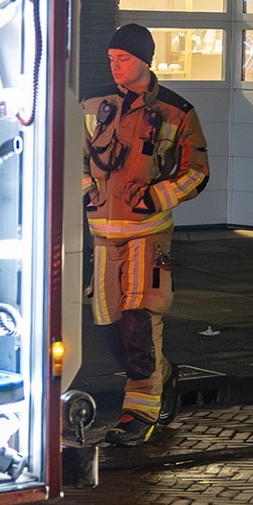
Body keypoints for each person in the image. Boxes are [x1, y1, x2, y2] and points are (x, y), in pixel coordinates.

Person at [83, 23, 209, 445]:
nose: (116, 67)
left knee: (138, 321)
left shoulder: (177, 112)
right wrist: (88, 194)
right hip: (102, 233)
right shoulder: (93, 105)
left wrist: (156, 198)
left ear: (145, 60)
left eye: (124, 59)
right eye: (112, 59)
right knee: (107, 325)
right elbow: (73, 157)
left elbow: (197, 171)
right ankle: (162, 374)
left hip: (147, 235)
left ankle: (138, 413)